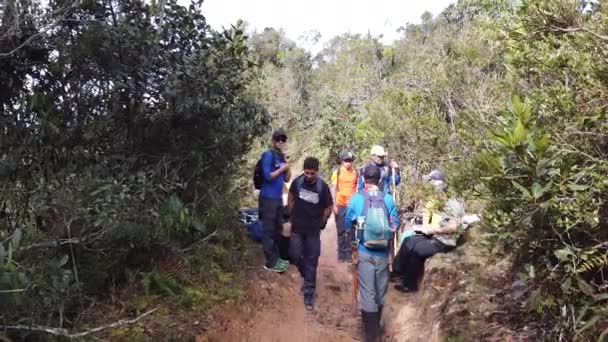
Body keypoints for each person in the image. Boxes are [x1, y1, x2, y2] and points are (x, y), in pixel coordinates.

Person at [345, 164, 399, 342]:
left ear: (362, 178)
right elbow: (395, 224)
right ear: (380, 179)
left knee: (367, 293)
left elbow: (347, 223)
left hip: (364, 251)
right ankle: (377, 327)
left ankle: (370, 335)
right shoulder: (388, 199)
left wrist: (351, 241)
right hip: (383, 254)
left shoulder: (356, 199)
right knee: (380, 292)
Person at [392, 169, 465, 293]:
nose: (429, 185)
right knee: (409, 241)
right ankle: (399, 273)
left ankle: (411, 285)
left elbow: (454, 227)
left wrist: (435, 230)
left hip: (445, 242)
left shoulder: (452, 203)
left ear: (439, 184)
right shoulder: (439, 199)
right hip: (436, 235)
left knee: (418, 249)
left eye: (431, 181)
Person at [288, 157, 333, 310]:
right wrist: (290, 212)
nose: (308, 176)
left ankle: (309, 292)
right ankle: (305, 275)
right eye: (306, 173)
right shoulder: (298, 183)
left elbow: (329, 206)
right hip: (298, 227)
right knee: (295, 255)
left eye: (311, 173)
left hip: (313, 229)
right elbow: (291, 197)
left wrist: (323, 220)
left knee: (312, 260)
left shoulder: (322, 187)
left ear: (317, 172)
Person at [258, 128, 292, 273]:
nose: (280, 142)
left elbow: (287, 178)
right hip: (268, 198)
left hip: (277, 198)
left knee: (278, 228)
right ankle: (270, 263)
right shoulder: (268, 155)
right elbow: (267, 176)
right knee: (269, 230)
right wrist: (281, 168)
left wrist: (286, 166)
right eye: (278, 139)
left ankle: (276, 258)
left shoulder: (280, 157)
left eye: (283, 139)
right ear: (273, 140)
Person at [330, 150, 359, 262]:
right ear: (342, 161)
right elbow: (333, 188)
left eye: (350, 160)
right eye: (346, 160)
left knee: (350, 230)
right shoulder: (337, 172)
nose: (348, 163)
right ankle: (341, 254)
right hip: (340, 204)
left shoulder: (355, 172)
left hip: (351, 205)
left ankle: (348, 254)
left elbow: (357, 188)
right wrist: (334, 205)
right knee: (341, 230)